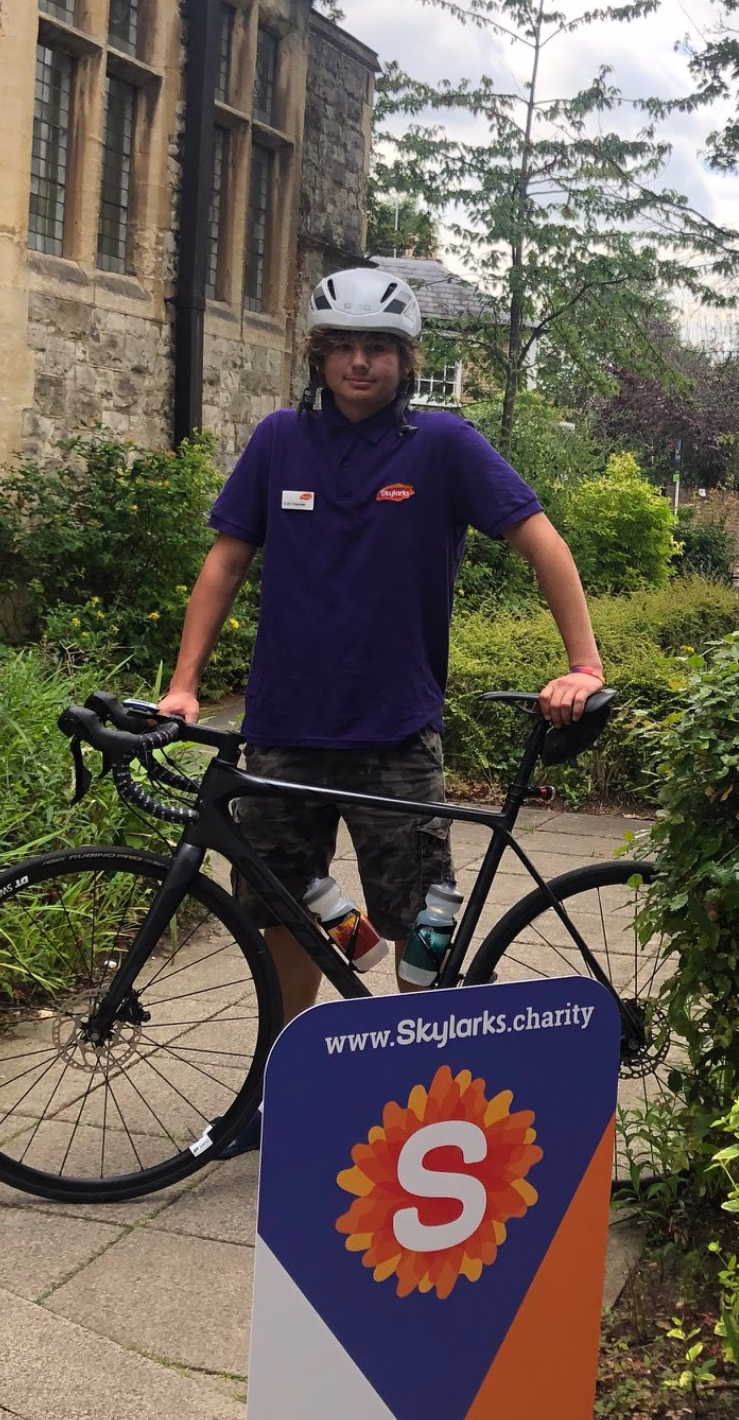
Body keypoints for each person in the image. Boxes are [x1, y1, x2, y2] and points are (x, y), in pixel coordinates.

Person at [157, 267, 604, 1153]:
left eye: (378, 349)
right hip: (282, 728)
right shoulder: (279, 440)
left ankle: (420, 1100)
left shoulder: (444, 445)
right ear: (318, 356)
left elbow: (543, 543)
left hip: (396, 730)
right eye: (343, 348)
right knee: (282, 916)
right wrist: (184, 684)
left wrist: (583, 664)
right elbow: (225, 564)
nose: (359, 364)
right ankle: (284, 1095)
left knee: (420, 923)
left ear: (405, 361)